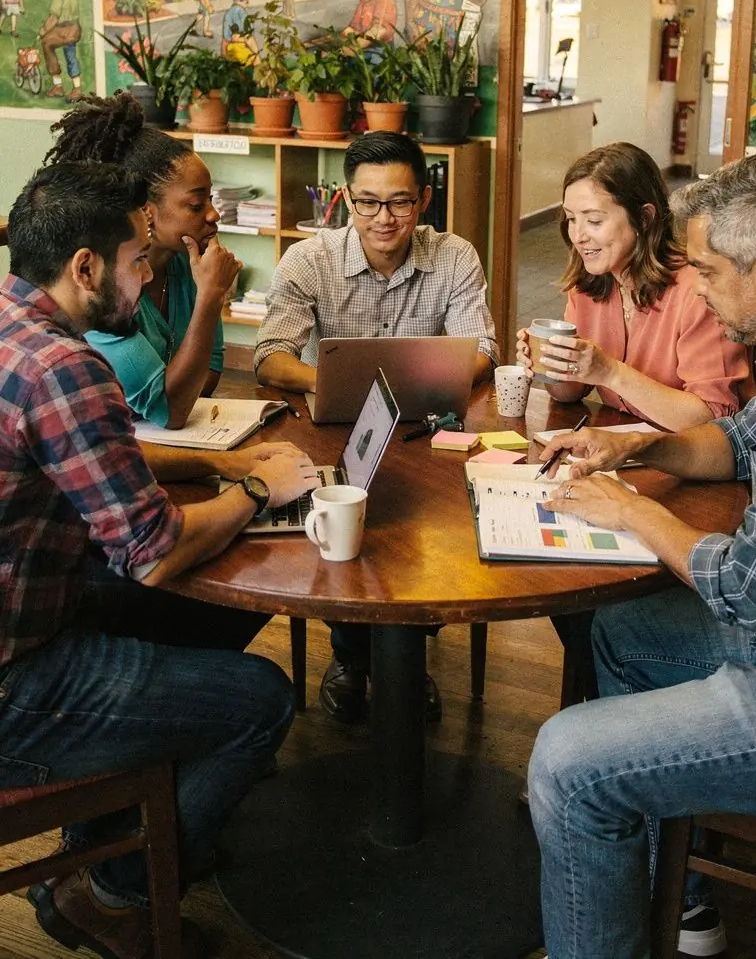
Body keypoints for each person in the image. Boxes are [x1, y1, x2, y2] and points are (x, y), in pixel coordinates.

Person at [0, 161, 318, 959]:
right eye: (138, 260)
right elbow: (153, 552)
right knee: (261, 699)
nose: (148, 278)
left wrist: (218, 465)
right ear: (85, 267)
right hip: (16, 683)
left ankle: (106, 835)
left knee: (213, 613)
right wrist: (258, 490)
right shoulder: (67, 369)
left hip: (35, 616)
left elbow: (100, 454)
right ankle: (112, 895)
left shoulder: (16, 332)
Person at [527, 154, 756, 959]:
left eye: (712, 273)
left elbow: (752, 590)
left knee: (565, 761)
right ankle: (665, 885)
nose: (703, 291)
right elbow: (736, 440)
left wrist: (634, 510)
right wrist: (635, 447)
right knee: (623, 630)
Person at [255, 130, 498, 723]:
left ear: (424, 200)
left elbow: (484, 349)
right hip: (335, 427)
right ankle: (356, 657)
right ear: (346, 198)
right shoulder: (308, 260)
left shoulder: (454, 256)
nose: (383, 218)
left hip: (424, 429)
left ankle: (401, 657)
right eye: (367, 202)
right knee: (349, 508)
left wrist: (430, 380)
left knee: (434, 517)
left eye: (399, 202)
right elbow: (269, 357)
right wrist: (333, 381)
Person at [517, 143, 751, 432]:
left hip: (686, 453)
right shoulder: (587, 286)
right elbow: (569, 393)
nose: (577, 236)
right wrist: (552, 366)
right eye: (571, 219)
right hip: (621, 446)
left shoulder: (699, 291)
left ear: (644, 218)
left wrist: (610, 372)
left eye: (594, 221)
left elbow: (713, 420)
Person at [45, 91, 240, 428]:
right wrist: (210, 297)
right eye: (196, 205)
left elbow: (210, 371)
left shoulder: (190, 264)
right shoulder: (106, 285)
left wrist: (173, 391)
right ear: (146, 212)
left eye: (210, 199)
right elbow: (173, 411)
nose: (213, 214)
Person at [39, 0, 82, 101]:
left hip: (64, 29)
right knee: (70, 54)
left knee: (46, 43)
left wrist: (43, 30)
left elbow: (53, 17)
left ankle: (58, 86)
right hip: (75, 29)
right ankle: (77, 88)